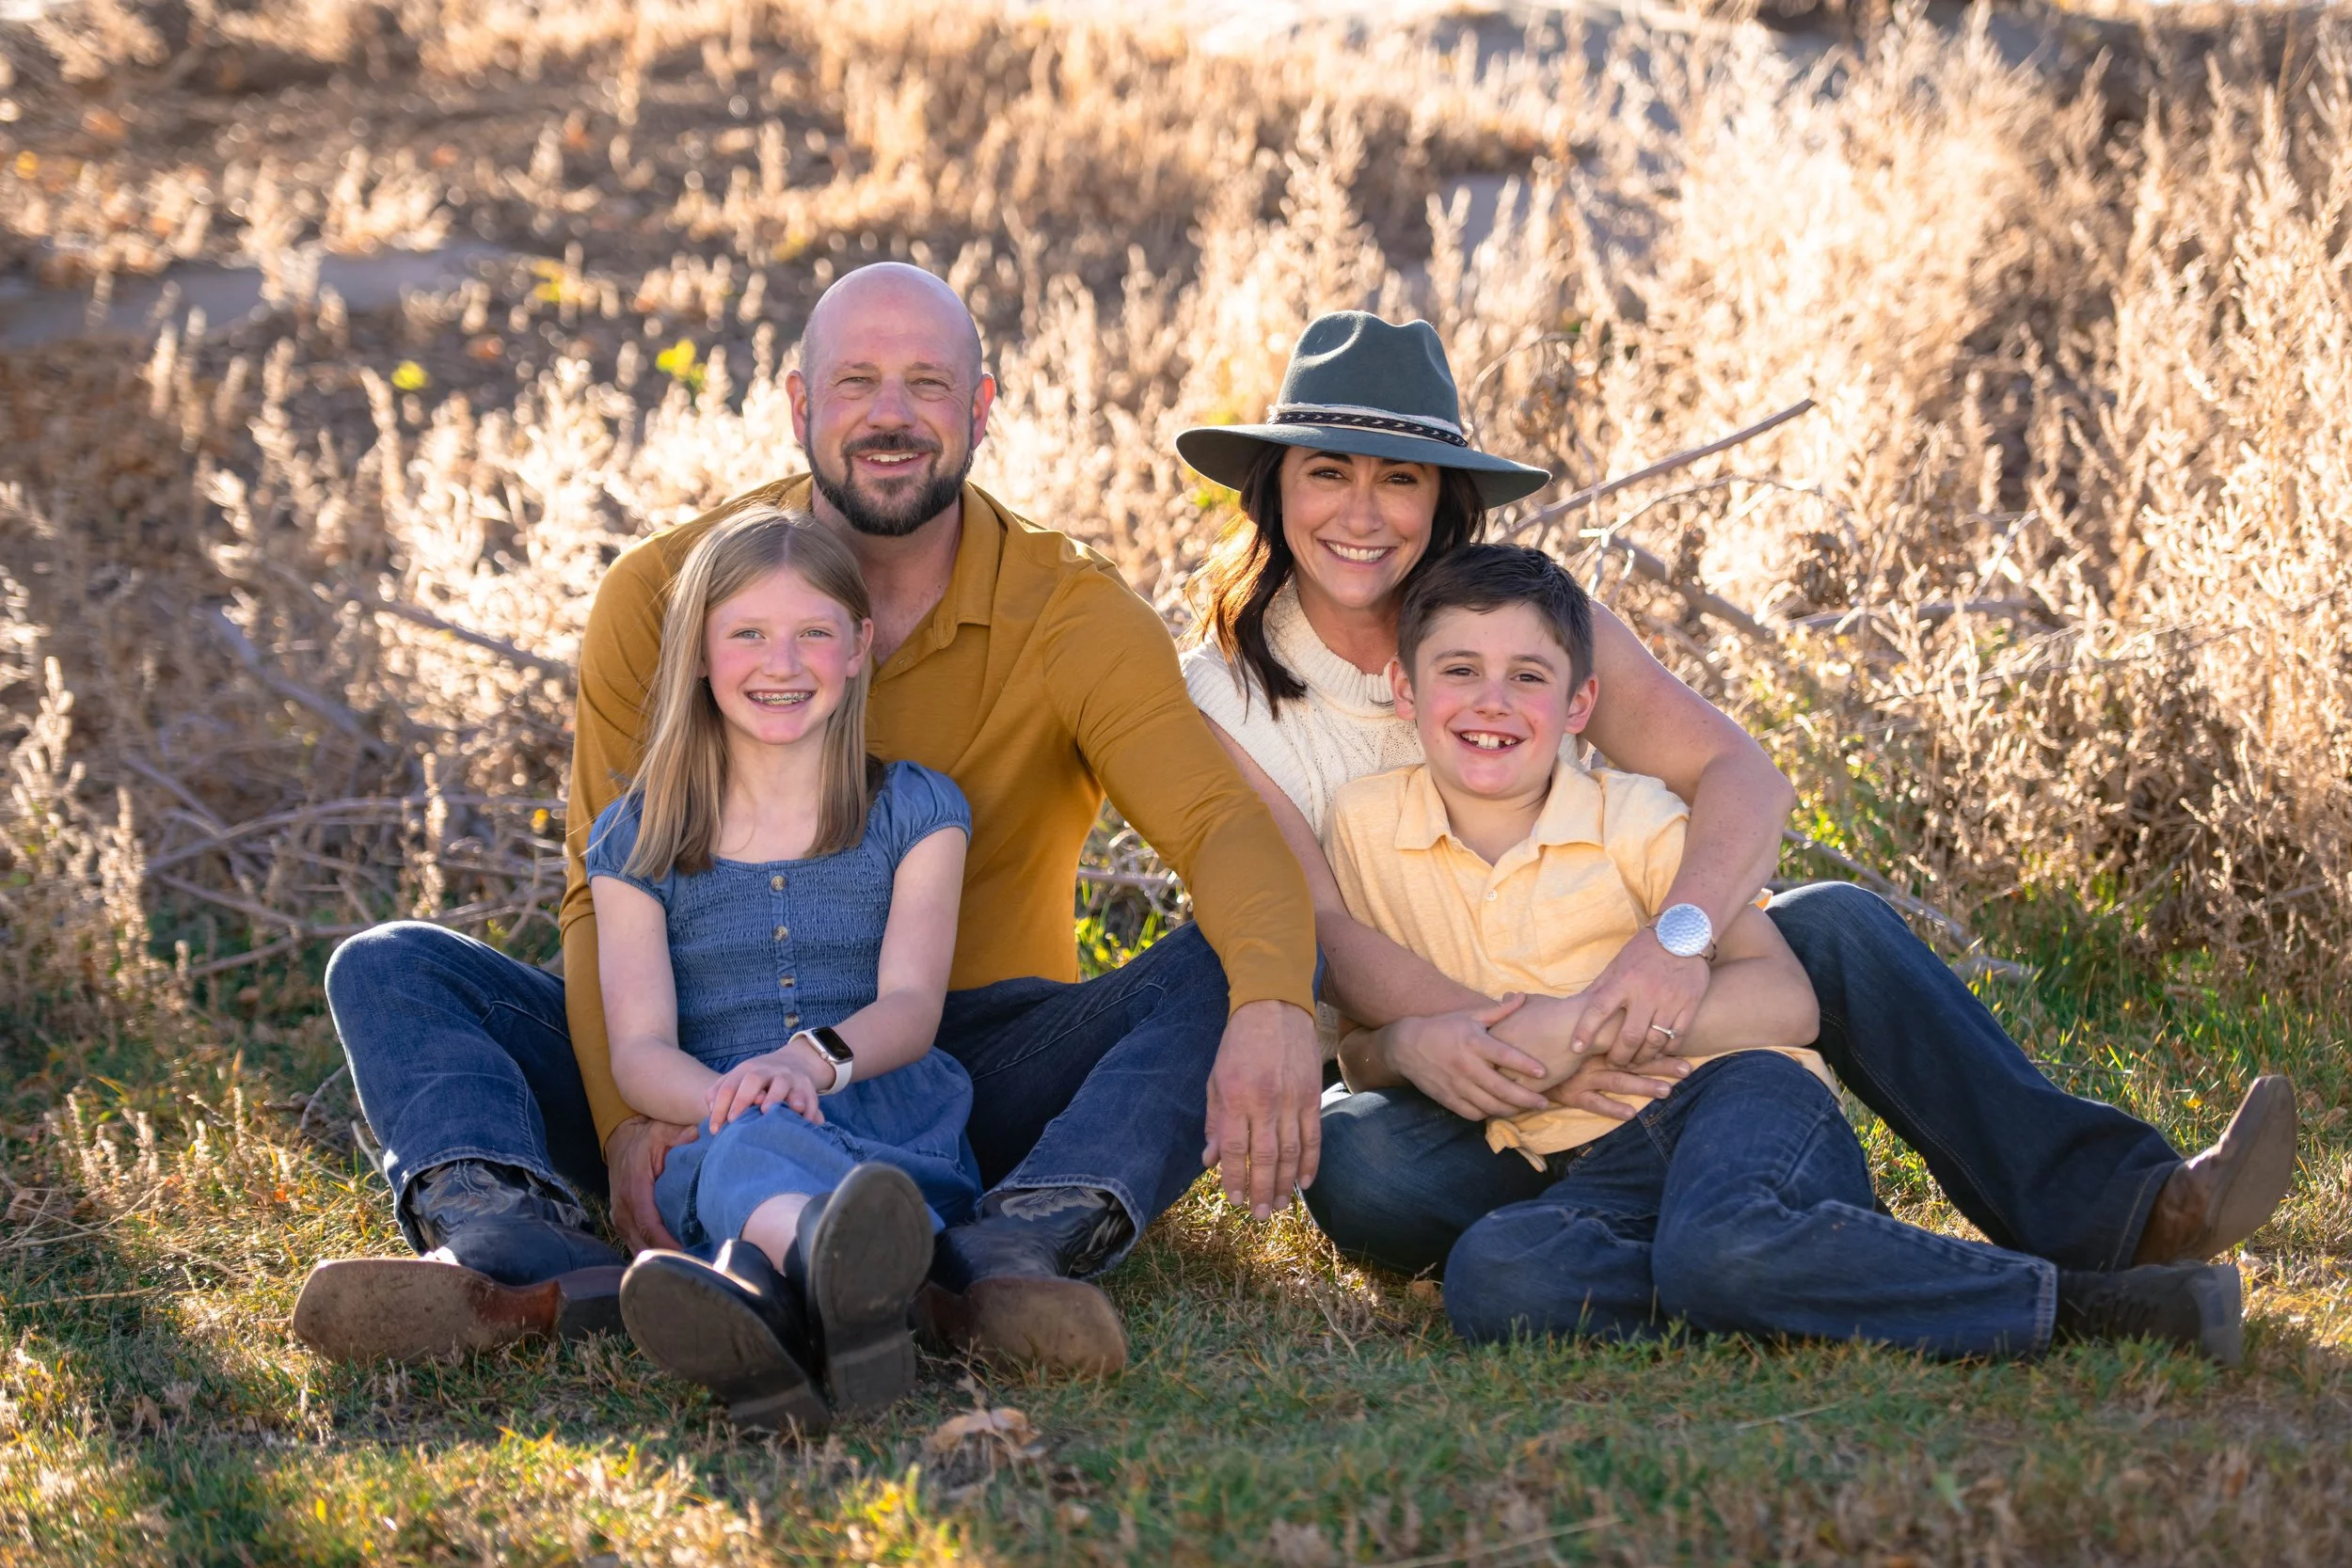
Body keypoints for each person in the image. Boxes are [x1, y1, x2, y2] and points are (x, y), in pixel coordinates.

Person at [294, 263, 1324, 1378]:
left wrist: (1275, 1003)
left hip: (949, 1060)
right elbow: (605, 888)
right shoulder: (665, 592)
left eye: (928, 384)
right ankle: (519, 1250)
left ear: (980, 411)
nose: (891, 414)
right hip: (693, 1062)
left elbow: (1218, 824)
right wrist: (628, 1119)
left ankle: (1008, 1247)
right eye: (857, 382)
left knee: (1238, 958)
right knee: (397, 965)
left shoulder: (1071, 613)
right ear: (798, 405)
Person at [1175, 310, 2297, 1288]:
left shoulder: (1521, 620)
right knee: (1360, 1160)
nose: (1362, 511)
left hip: (1638, 1001)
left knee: (1836, 925)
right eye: (1329, 469)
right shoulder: (1219, 687)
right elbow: (1321, 918)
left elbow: (1738, 773)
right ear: (1274, 486)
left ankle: (2126, 1212)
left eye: (1400, 475)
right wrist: (1524, 1044)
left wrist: (1675, 938)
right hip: (1445, 1052)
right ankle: (1716, 1241)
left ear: (1443, 496)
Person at [1326, 543, 2244, 1361]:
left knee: (1723, 1235)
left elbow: (1787, 1000)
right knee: (1499, 1273)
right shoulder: (1366, 829)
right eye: (1459, 670)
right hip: (1585, 1169)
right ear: (1405, 692)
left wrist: (1572, 1031)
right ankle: (1803, 1272)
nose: (1492, 701)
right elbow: (1363, 1038)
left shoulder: (1637, 818)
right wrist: (1412, 1046)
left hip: (1729, 1099)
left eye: (1527, 676)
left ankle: (2084, 1304)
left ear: (1580, 702)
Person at [580, 505, 975, 1432]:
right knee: (749, 1146)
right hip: (712, 1130)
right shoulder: (636, 839)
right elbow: (639, 1050)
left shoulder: (916, 811)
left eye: (814, 634)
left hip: (887, 1126)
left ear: (859, 647)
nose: (782, 663)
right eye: (748, 633)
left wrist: (803, 1063)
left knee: (763, 1151)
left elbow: (912, 1005)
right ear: (700, 652)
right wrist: (738, 1096)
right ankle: (839, 1289)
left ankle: (769, 1303)